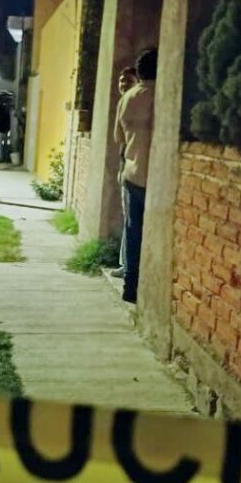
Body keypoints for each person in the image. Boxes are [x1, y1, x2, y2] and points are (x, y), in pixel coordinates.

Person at [113, 49, 157, 303]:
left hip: (132, 173)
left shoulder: (126, 98)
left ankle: (130, 287)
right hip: (157, 177)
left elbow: (118, 138)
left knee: (133, 231)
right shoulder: (164, 96)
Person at [110, 66, 140, 280]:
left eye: (128, 81)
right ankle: (126, 263)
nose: (123, 85)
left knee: (131, 219)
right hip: (127, 167)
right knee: (128, 217)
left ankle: (128, 266)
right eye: (121, 81)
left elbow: (118, 138)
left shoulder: (128, 103)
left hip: (133, 169)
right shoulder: (126, 103)